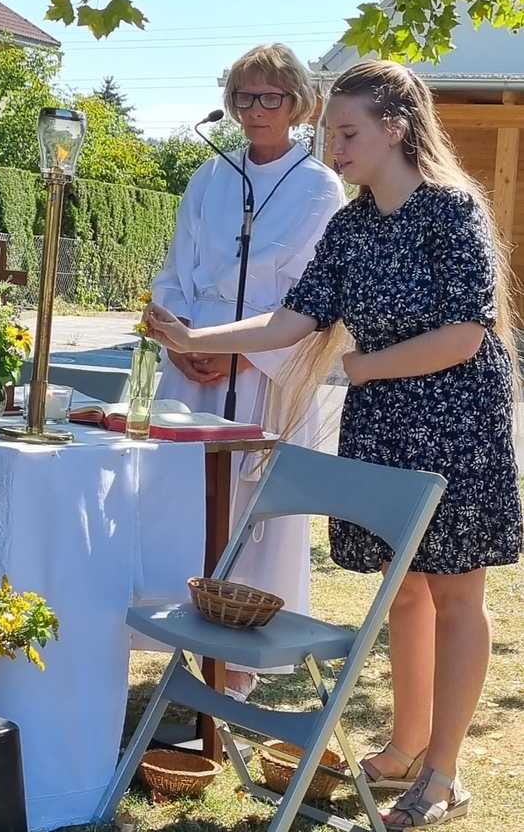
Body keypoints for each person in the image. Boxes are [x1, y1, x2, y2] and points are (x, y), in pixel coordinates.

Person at [144, 59, 522, 829]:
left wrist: (365, 367)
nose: (334, 149)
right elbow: (293, 319)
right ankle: (405, 746)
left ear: (395, 128)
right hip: (384, 421)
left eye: (347, 134)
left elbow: (464, 334)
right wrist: (194, 336)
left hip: (458, 421)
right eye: (330, 135)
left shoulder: (453, 210)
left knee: (456, 596)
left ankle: (444, 773)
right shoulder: (352, 226)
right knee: (402, 588)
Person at [151, 43, 345, 698]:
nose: (256, 110)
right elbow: (176, 270)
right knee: (184, 505)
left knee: (254, 516)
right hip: (193, 369)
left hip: (265, 368)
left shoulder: (319, 186)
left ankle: (237, 668)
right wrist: (180, 339)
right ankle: (178, 642)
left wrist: (236, 349)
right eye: (244, 96)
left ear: (299, 104)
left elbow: (308, 294)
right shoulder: (210, 176)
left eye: (270, 97)